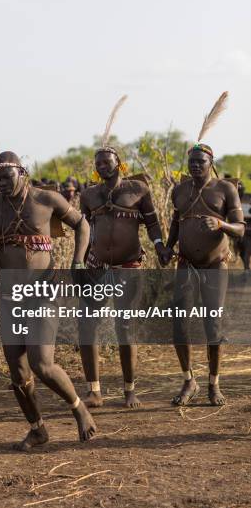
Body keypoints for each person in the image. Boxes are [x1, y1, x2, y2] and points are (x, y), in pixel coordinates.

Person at [0, 151, 97, 451]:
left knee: (42, 364)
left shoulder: (46, 199)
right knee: (18, 372)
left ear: (22, 172)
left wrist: (78, 261)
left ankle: (79, 406)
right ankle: (37, 428)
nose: (1, 183)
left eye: (7, 177)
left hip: (44, 291)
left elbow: (82, 224)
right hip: (9, 295)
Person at [79, 146, 169, 408]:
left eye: (107, 162)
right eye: (98, 164)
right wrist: (78, 260)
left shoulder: (137, 190)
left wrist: (160, 245)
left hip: (128, 266)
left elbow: (152, 223)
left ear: (119, 163)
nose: (102, 167)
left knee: (125, 326)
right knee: (87, 325)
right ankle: (93, 390)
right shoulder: (89, 195)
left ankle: (129, 390)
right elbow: (83, 230)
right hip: (97, 266)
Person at [163, 143, 245, 406]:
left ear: (211, 163)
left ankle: (213, 383)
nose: (195, 165)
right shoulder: (179, 190)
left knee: (213, 326)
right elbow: (176, 222)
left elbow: (241, 229)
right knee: (179, 325)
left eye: (201, 161)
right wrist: (167, 247)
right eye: (192, 161)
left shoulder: (225, 189)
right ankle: (189, 380)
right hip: (186, 264)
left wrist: (221, 224)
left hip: (215, 264)